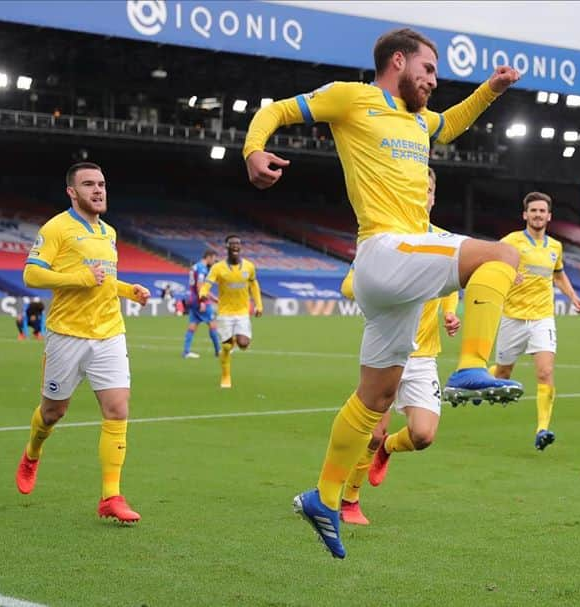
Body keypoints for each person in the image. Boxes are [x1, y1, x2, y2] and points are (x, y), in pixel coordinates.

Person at [243, 27, 522, 558]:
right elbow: (275, 110)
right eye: (430, 70)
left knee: (374, 399)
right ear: (399, 61)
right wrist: (253, 150)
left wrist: (491, 89)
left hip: (398, 281)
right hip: (385, 249)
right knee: (504, 254)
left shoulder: (419, 120)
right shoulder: (354, 98)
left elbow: (451, 124)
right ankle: (471, 365)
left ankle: (323, 498)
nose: (434, 82)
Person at [15, 161, 151, 524]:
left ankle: (111, 496)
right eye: (89, 184)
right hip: (67, 335)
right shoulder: (56, 228)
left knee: (118, 409)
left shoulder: (109, 232)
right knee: (52, 413)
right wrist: (77, 276)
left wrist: (127, 290)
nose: (98, 190)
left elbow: (103, 279)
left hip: (109, 332)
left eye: (102, 184)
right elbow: (31, 273)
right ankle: (32, 453)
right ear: (72, 192)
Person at [338, 167, 460, 526]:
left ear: (433, 196)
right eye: (414, 188)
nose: (421, 195)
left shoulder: (445, 240)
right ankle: (349, 500)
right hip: (388, 350)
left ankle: (390, 449)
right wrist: (393, 285)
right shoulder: (383, 239)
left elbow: (452, 282)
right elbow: (349, 286)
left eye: (427, 190)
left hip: (423, 355)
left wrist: (450, 314)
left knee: (423, 435)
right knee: (372, 433)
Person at [489, 192, 580, 451]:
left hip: (542, 318)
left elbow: (559, 275)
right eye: (533, 211)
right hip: (513, 318)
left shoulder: (555, 247)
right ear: (525, 215)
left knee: (545, 372)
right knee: (502, 373)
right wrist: (507, 273)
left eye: (542, 211)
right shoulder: (511, 242)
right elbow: (489, 262)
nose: (538, 215)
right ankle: (478, 377)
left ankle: (542, 428)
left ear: (549, 216)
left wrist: (574, 297)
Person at [199, 235, 262, 388]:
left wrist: (259, 305)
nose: (235, 246)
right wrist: (203, 292)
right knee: (226, 347)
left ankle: (234, 340)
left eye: (238, 244)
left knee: (243, 344)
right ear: (226, 247)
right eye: (232, 244)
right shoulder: (218, 267)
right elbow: (208, 282)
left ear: (240, 247)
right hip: (225, 312)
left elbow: (254, 285)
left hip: (242, 312)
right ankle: (226, 376)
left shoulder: (249, 267)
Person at [182, 248, 220, 359]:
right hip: (200, 300)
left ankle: (186, 351)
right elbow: (200, 286)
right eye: (214, 259)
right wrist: (202, 301)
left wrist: (213, 298)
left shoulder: (195, 266)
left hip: (192, 299)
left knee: (192, 325)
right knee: (212, 324)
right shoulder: (202, 269)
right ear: (209, 257)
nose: (214, 262)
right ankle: (218, 351)